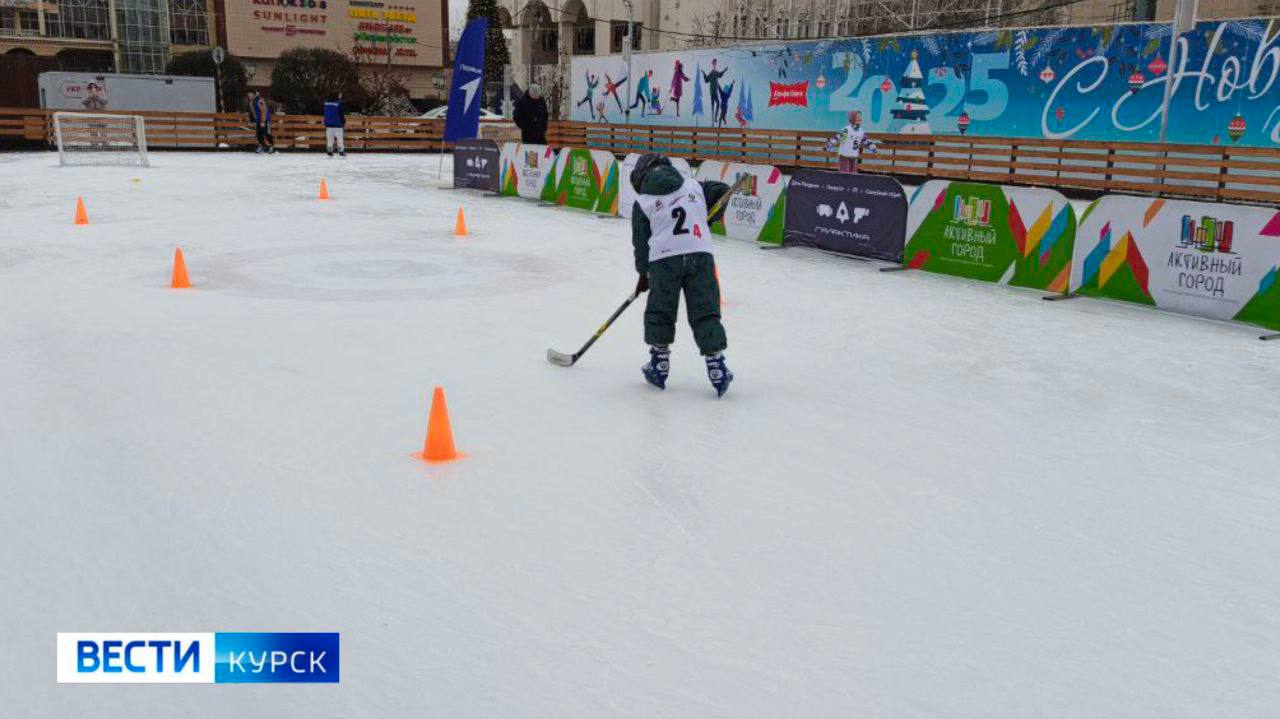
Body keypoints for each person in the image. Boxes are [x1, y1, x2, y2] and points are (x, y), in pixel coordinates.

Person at [629, 153, 734, 397]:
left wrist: (643, 274)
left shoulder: (643, 201)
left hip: (664, 259)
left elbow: (641, 243)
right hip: (700, 254)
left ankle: (659, 365)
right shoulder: (693, 185)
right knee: (705, 310)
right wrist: (709, 216)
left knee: (661, 309)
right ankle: (716, 366)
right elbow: (723, 190)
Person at [704, 60, 728, 125]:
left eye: (715, 63)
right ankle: (713, 119)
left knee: (717, 103)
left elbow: (720, 75)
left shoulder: (716, 73)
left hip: (714, 91)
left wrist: (724, 70)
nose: (715, 65)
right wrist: (704, 74)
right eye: (714, 63)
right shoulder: (711, 73)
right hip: (712, 91)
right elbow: (706, 80)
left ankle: (715, 118)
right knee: (713, 104)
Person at [323, 91, 346, 158]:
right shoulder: (338, 103)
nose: (341, 96)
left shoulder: (326, 103)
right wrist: (343, 122)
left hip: (328, 124)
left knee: (330, 140)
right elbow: (341, 114)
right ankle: (341, 152)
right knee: (340, 139)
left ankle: (329, 152)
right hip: (338, 125)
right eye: (340, 94)